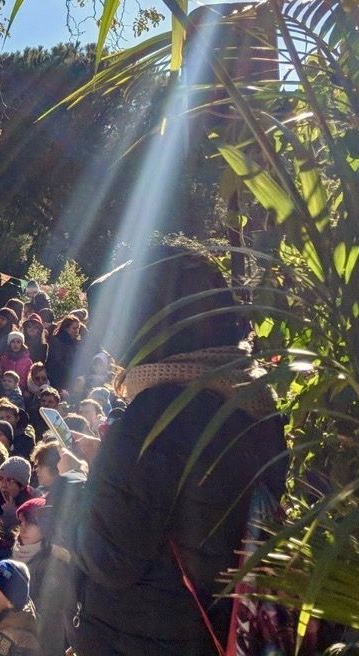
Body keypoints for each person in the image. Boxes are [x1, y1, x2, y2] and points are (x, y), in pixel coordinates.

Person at [78, 248, 287, 656]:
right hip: (214, 629)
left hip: (139, 634)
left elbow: (109, 557)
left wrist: (81, 485)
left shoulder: (157, 413)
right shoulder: (256, 401)